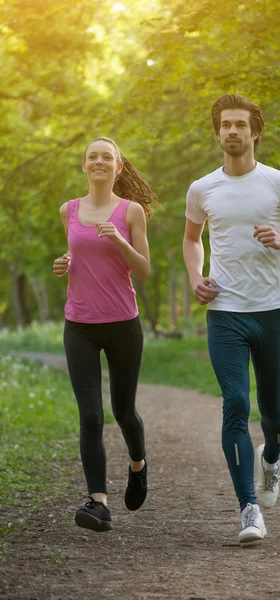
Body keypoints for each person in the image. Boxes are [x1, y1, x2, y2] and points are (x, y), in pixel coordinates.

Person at [183, 94, 280, 545]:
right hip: (225, 312)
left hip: (271, 310)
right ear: (217, 132)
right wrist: (196, 277)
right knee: (235, 405)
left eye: (239, 125)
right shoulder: (202, 188)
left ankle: (271, 461)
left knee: (275, 414)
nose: (231, 131)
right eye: (224, 124)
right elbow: (191, 240)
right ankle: (249, 508)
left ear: (254, 133)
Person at [53, 136, 158, 532]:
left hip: (122, 324)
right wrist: (65, 263)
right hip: (79, 324)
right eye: (92, 156)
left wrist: (118, 240)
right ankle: (98, 502)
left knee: (123, 412)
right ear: (84, 165)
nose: (99, 161)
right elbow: (77, 256)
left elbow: (144, 270)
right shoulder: (69, 210)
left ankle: (138, 464)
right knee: (91, 415)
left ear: (118, 167)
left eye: (106, 157)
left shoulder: (131, 212)